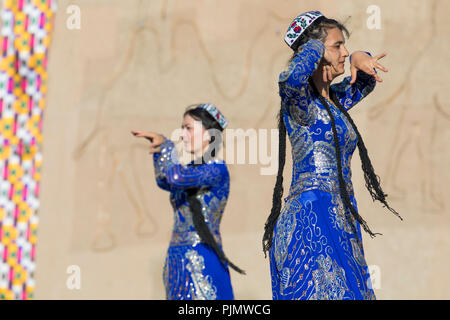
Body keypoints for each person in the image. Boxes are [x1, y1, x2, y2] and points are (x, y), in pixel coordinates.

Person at [262, 11, 402, 300]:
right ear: (314, 52)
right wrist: (314, 46)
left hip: (339, 216)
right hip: (310, 216)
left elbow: (365, 79)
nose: (344, 51)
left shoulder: (335, 100)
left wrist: (358, 56)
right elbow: (290, 79)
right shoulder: (300, 104)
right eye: (337, 46)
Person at [132, 103, 244, 300]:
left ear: (209, 134)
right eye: (182, 128)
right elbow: (164, 180)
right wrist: (159, 151)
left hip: (201, 259)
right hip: (177, 260)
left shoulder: (216, 169)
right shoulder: (190, 171)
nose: (182, 135)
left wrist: (166, 146)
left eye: (188, 128)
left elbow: (175, 178)